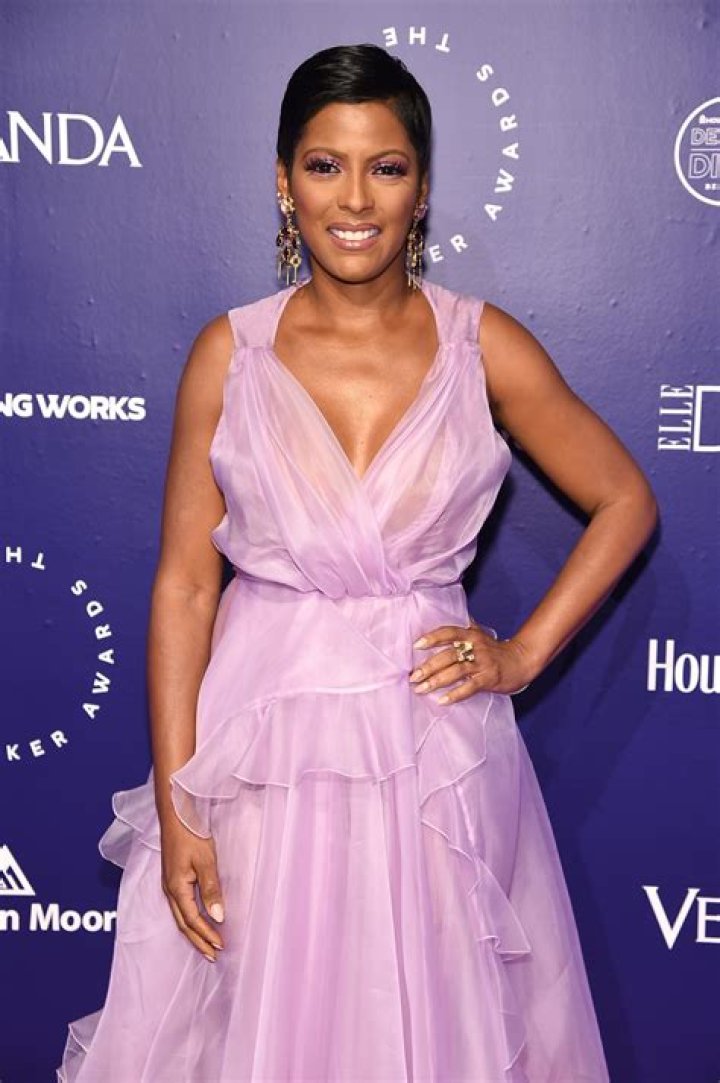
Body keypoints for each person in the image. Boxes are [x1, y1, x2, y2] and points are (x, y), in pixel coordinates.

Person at [57, 42, 657, 1082]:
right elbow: (186, 585)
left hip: (429, 752)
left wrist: (521, 654)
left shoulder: (481, 346)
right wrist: (179, 799)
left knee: (428, 1019)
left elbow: (624, 498)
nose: (355, 198)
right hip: (261, 740)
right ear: (283, 181)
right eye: (325, 165)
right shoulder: (230, 354)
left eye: (386, 167)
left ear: (421, 189)